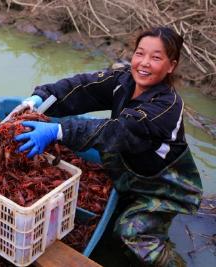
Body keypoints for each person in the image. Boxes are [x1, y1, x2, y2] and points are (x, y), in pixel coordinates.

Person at [14, 27, 203, 266]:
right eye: (139, 53)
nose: (144, 63)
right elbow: (84, 87)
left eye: (156, 57)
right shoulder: (124, 80)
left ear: (171, 66)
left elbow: (120, 130)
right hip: (128, 171)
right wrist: (43, 97)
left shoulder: (166, 106)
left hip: (162, 187)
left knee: (129, 234)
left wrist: (58, 131)